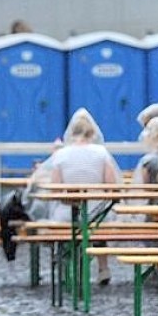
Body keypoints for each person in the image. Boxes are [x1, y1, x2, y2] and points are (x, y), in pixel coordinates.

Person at [45, 108, 122, 284]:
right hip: (97, 213)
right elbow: (113, 188)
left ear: (71, 133)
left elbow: (55, 191)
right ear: (93, 133)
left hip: (68, 214)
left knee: (72, 226)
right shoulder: (102, 154)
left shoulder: (61, 155)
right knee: (98, 225)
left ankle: (67, 267)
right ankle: (103, 268)